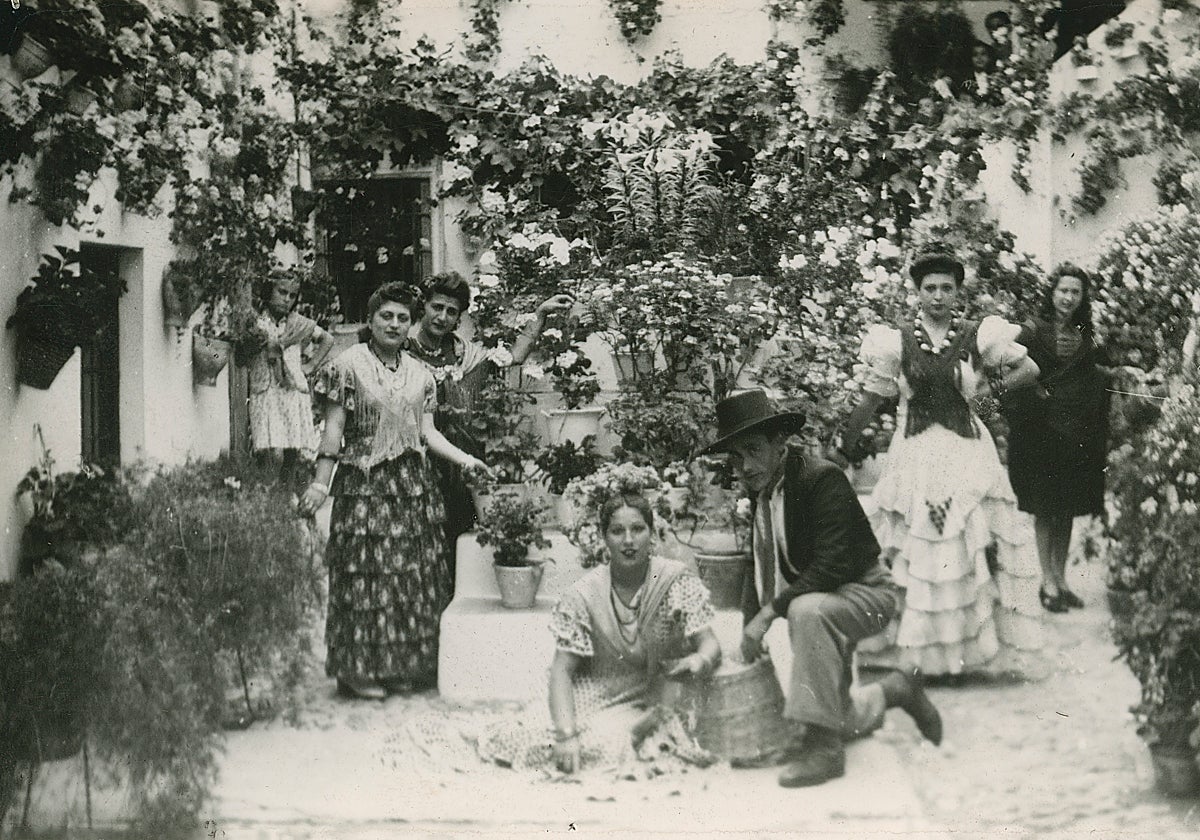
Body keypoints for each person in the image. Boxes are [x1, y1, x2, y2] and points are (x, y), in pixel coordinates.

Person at [701, 389, 943, 789]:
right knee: (841, 714)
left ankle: (823, 749)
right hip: (821, 601)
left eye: (753, 450)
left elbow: (832, 565)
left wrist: (767, 614)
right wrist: (750, 630)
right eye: (735, 457)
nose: (743, 466)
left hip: (866, 593)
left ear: (781, 443)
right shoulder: (764, 494)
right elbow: (757, 565)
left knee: (805, 611)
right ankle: (895, 690)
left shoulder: (820, 478)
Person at [838, 250, 1044, 678]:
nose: (937, 296)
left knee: (962, 544)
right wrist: (844, 443)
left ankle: (963, 654)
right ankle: (917, 654)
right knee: (915, 547)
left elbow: (1030, 371)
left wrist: (985, 402)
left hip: (965, 449)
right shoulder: (896, 340)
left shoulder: (977, 335)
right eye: (929, 288)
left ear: (957, 291)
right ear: (917, 292)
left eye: (946, 288)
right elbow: (873, 398)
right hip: (914, 453)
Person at [298, 282, 491, 700]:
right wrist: (319, 483)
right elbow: (333, 431)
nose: (395, 324)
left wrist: (466, 460)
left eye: (403, 318)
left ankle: (401, 666)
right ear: (371, 319)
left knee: (408, 577)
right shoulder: (346, 366)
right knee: (366, 577)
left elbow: (427, 432)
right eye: (387, 315)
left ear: (411, 324)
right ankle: (360, 670)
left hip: (411, 486)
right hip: (364, 486)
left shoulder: (420, 375)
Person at [478, 493, 722, 775]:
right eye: (617, 531)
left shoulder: (673, 580)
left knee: (614, 746)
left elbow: (709, 643)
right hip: (593, 690)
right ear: (604, 537)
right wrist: (566, 735)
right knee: (534, 736)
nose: (628, 541)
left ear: (652, 533)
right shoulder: (585, 593)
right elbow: (562, 671)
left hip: (653, 694)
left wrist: (699, 660)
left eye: (638, 529)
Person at [405, 272, 574, 558]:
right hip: (415, 457)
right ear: (423, 308)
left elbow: (512, 357)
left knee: (459, 537)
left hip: (459, 459)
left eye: (451, 312)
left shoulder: (466, 355)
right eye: (437, 307)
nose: (442, 317)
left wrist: (540, 313)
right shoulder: (403, 353)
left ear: (458, 319)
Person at [1005, 264, 1115, 612]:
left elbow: (1094, 378)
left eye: (1075, 292)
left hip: (1075, 434)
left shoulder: (1086, 334)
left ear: (1082, 298)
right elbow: (1010, 375)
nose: (1068, 297)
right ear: (1052, 292)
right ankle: (1047, 581)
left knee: (1066, 509)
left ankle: (1062, 578)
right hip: (1040, 434)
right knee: (1044, 507)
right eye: (1063, 290)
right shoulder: (1032, 331)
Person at [244, 270, 334, 485]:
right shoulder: (255, 322)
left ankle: (286, 492)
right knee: (267, 447)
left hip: (292, 390)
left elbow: (327, 339)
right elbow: (241, 354)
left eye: (292, 295)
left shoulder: (297, 324)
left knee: (292, 448)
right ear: (268, 291)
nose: (286, 299)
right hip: (265, 389)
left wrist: (310, 365)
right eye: (282, 292)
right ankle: (267, 493)